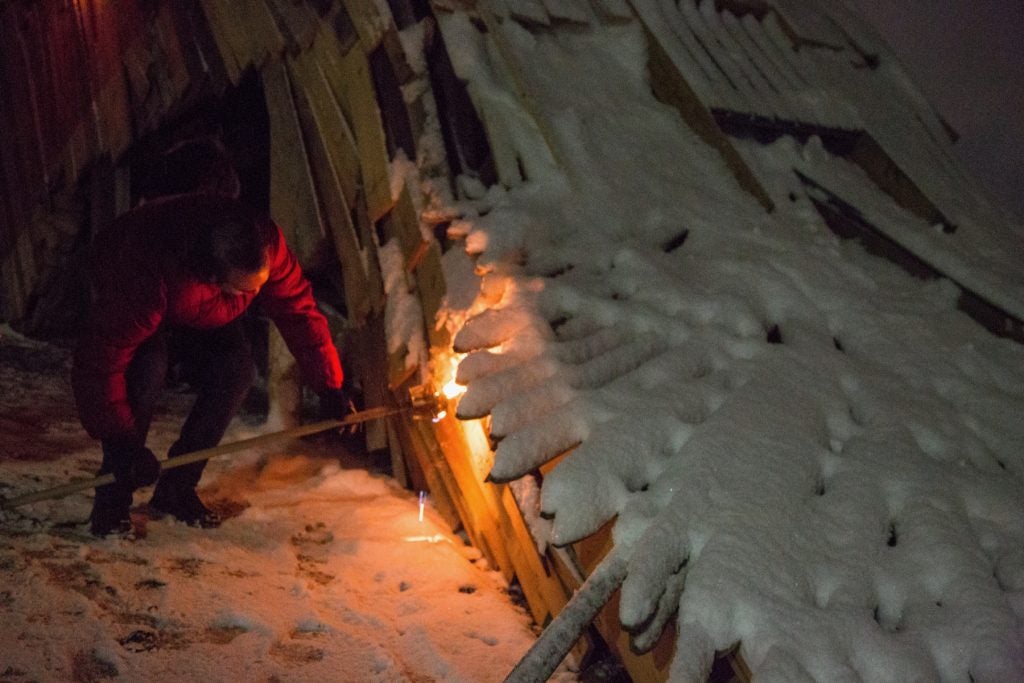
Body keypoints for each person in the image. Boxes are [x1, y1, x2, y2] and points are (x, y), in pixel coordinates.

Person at [72, 192, 348, 536]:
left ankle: (176, 490)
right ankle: (112, 503)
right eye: (240, 291)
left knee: (236, 369)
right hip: (138, 280)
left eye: (255, 291)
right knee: (147, 369)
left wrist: (329, 384)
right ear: (214, 276)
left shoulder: (265, 246)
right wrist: (123, 442)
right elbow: (101, 362)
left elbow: (298, 310)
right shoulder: (146, 273)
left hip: (197, 304)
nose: (249, 298)